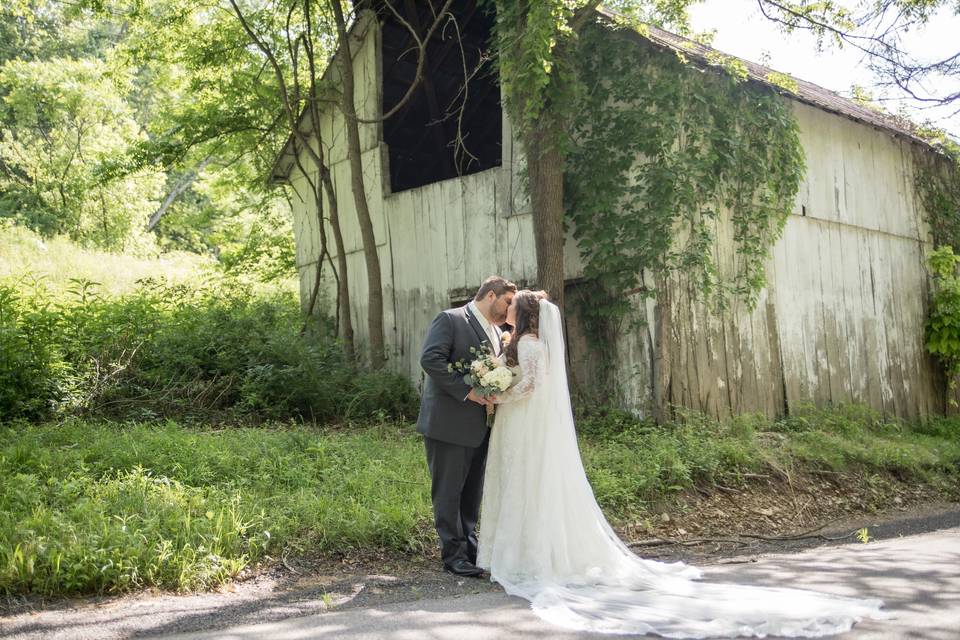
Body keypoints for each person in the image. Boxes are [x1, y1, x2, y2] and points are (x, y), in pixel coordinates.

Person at [477, 289, 888, 637]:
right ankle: (520, 552)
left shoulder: (529, 344)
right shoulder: (521, 340)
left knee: (526, 482)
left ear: (525, 312)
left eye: (513, 303)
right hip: (520, 425)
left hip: (524, 423)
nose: (507, 306)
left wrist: (500, 395)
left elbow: (529, 385)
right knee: (522, 483)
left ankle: (525, 557)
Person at [416, 275, 516, 577]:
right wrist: (467, 390)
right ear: (490, 296)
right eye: (507, 302)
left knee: (472, 493)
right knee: (448, 493)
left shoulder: (498, 333)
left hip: (481, 427)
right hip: (448, 425)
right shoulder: (450, 319)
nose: (509, 308)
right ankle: (453, 556)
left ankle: (471, 551)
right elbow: (430, 359)